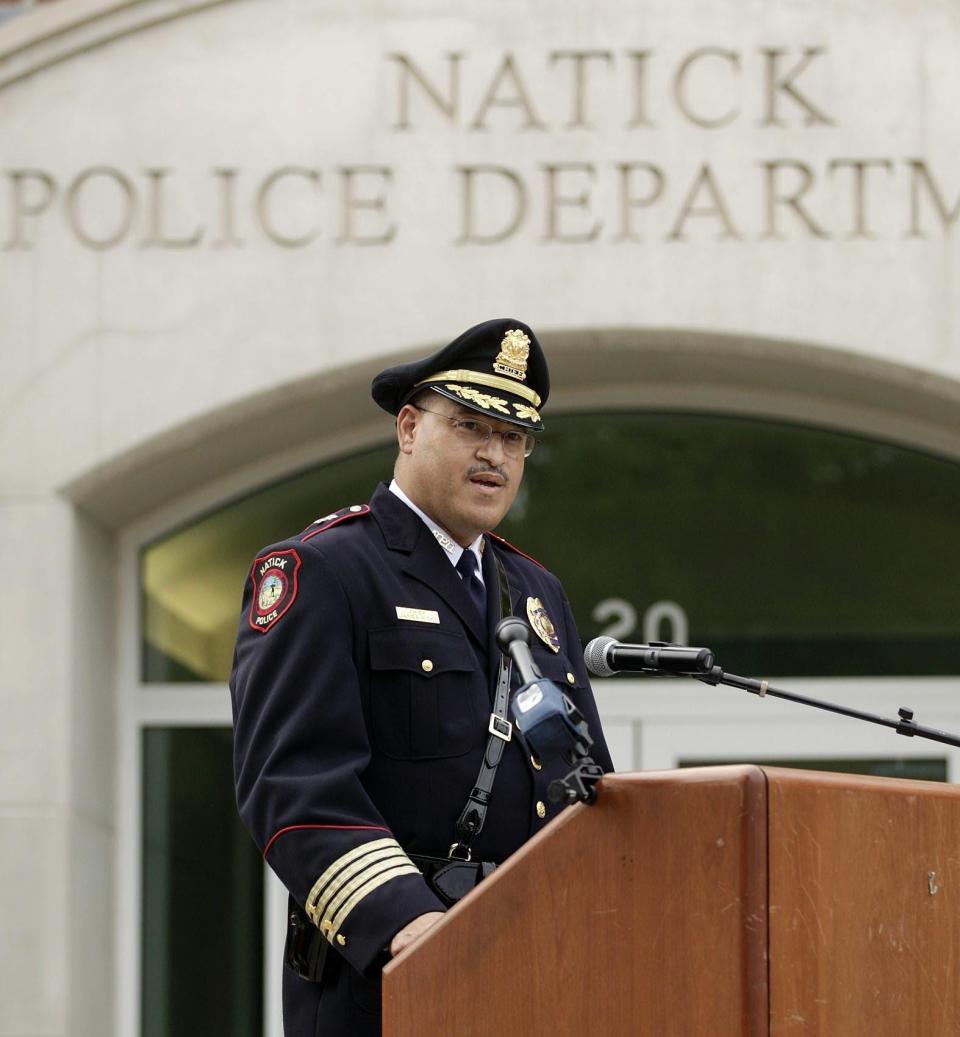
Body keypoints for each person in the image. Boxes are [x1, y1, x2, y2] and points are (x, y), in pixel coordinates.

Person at [230, 318, 614, 1036]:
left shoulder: (536, 592)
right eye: (471, 425)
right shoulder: (327, 570)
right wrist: (408, 922)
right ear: (408, 428)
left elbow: (580, 781)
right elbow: (294, 781)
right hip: (389, 980)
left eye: (513, 436)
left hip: (538, 972)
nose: (494, 454)